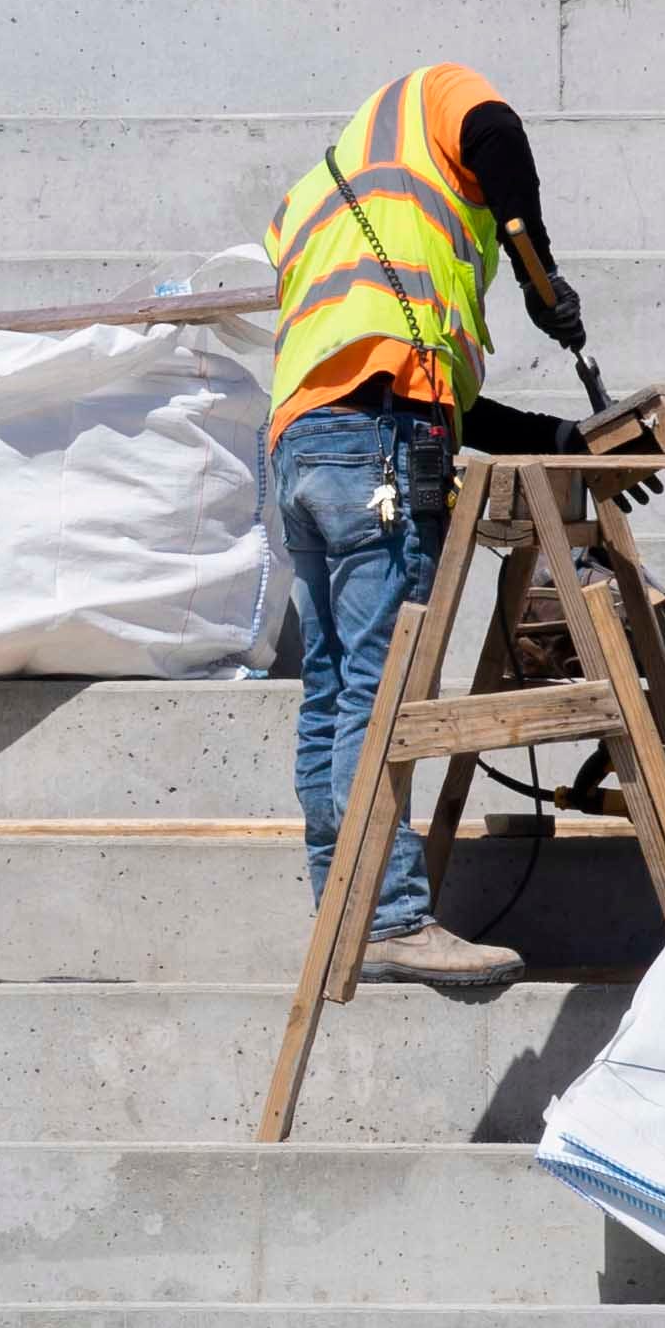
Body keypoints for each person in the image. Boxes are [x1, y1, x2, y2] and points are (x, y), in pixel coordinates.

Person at [261, 63, 605, 993]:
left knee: (334, 688)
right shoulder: (436, 95)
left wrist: (559, 435)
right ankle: (388, 918)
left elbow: (428, 392)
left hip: (308, 447)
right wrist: (539, 271)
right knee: (381, 692)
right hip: (374, 447)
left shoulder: (318, 200)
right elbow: (497, 132)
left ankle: (343, 909)